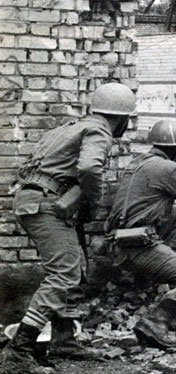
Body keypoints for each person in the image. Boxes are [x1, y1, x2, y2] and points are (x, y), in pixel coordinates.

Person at [0, 82, 136, 374]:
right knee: (63, 274)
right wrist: (91, 197)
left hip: (34, 199)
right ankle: (18, 351)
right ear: (121, 118)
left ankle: (64, 339)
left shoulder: (68, 128)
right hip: (49, 204)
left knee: (73, 266)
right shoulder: (99, 131)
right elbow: (89, 168)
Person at [104, 119, 176, 349]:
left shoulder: (136, 163)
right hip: (140, 245)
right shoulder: (170, 169)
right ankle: (156, 320)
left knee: (173, 212)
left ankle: (148, 282)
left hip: (116, 242)